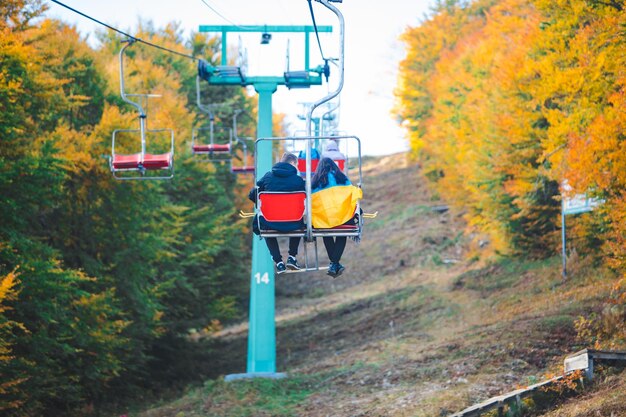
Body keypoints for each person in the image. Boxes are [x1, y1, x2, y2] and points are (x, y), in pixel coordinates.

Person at [248, 152, 305, 274]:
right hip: (293, 221)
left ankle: (279, 262)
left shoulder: (268, 177)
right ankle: (292, 257)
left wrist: (260, 203)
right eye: (297, 164)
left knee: (265, 226)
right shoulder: (298, 180)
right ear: (293, 163)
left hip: (270, 222)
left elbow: (252, 194)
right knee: (300, 221)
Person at [311, 157, 362, 277]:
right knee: (341, 234)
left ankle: (334, 264)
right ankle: (334, 264)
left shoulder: (315, 181)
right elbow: (352, 193)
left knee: (325, 233)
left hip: (324, 218)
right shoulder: (342, 178)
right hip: (342, 216)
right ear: (334, 166)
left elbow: (311, 200)